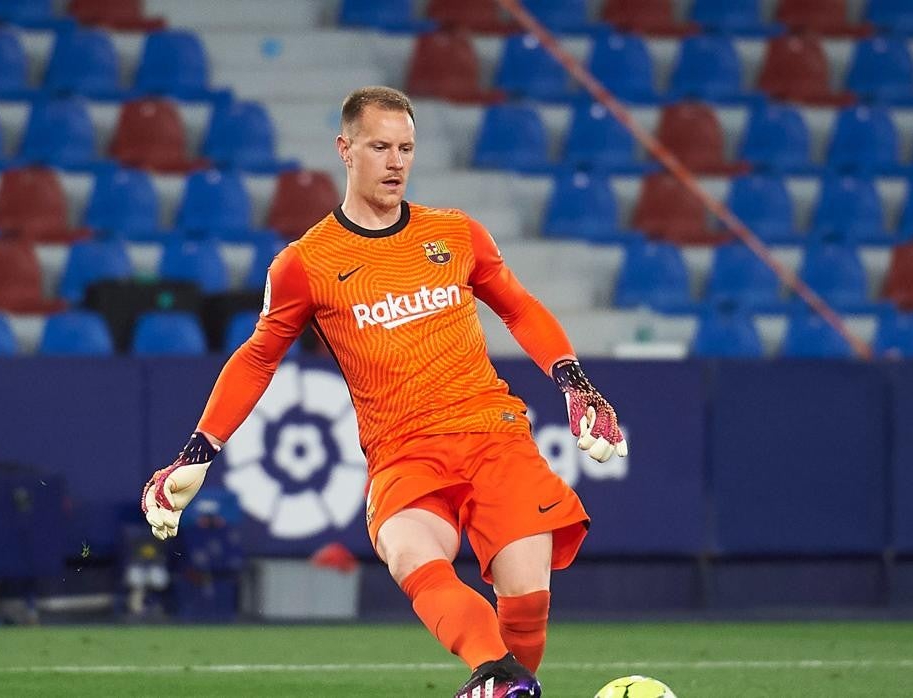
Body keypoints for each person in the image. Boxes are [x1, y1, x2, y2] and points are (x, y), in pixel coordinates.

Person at [141, 86, 628, 698]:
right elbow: (259, 356)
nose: (396, 161)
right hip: (403, 452)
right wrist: (198, 451)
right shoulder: (306, 263)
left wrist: (574, 382)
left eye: (406, 148)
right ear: (345, 149)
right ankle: (499, 678)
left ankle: (504, 682)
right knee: (408, 553)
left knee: (526, 606)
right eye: (380, 147)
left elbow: (521, 309)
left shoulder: (455, 234)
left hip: (494, 437)